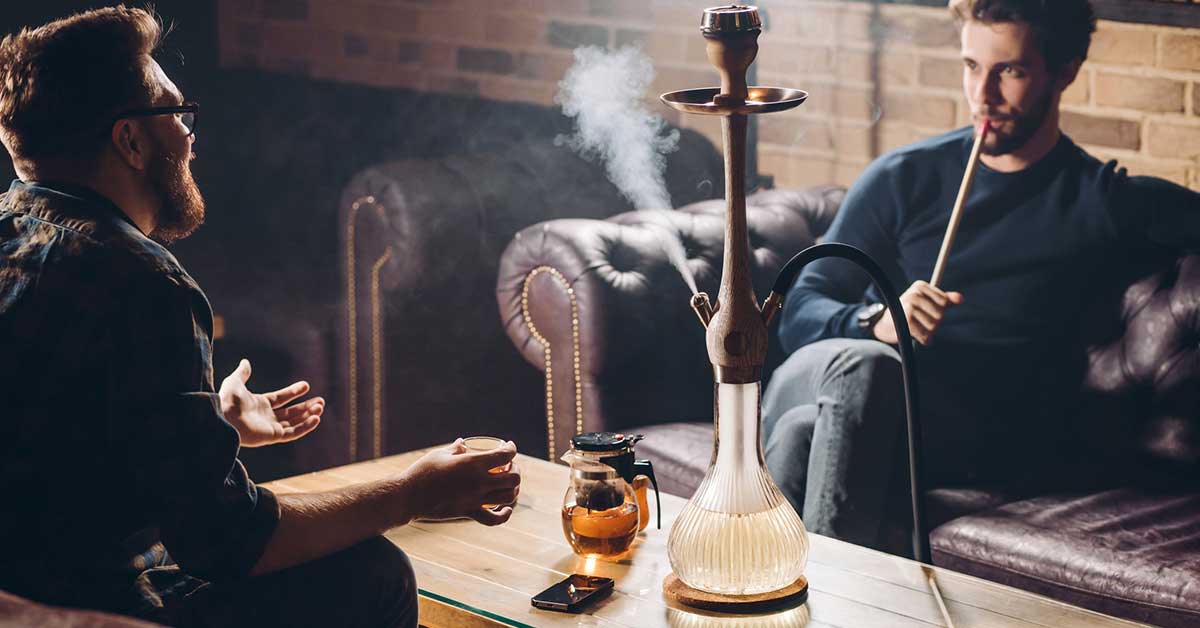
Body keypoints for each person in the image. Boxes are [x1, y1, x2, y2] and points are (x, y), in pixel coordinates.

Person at [0, 7, 521, 627]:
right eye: (176, 114)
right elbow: (230, 542)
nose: (191, 136)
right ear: (131, 141)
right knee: (371, 574)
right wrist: (416, 491)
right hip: (92, 603)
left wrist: (209, 421)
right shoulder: (143, 279)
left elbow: (42, 440)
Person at [763, 0, 1200, 556]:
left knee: (803, 437)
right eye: (972, 66)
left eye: (1009, 71)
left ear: (1064, 70)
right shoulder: (905, 178)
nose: (982, 96)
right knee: (868, 372)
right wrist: (877, 321)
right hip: (835, 373)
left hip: (960, 440)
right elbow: (798, 313)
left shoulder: (1100, 201)